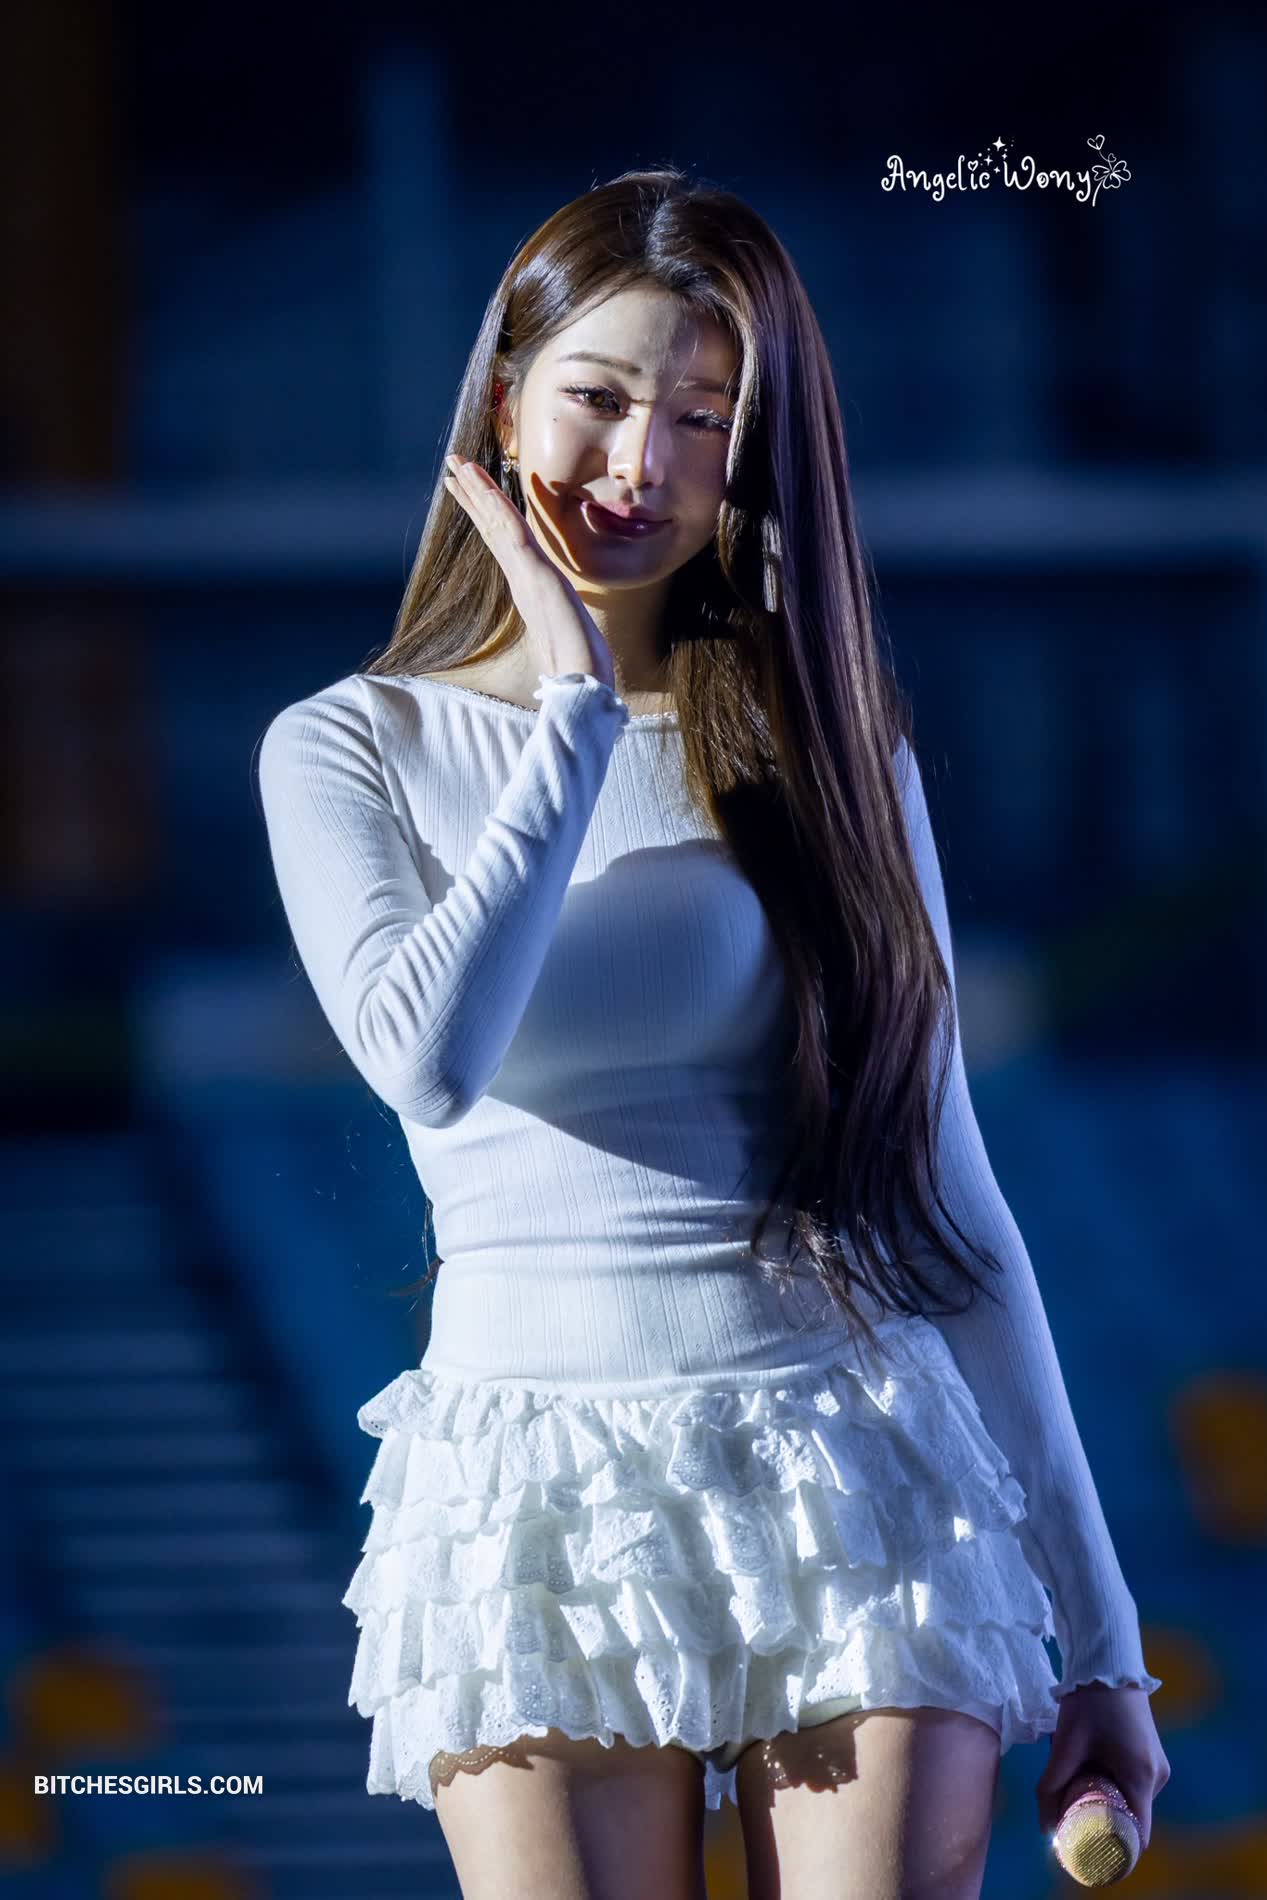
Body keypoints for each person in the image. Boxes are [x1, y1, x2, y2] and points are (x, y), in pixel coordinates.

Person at [256, 166, 1168, 1900]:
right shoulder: (349, 747)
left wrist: (1104, 1643)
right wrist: (573, 715)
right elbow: (427, 1057)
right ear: (503, 397)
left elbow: (948, 1201)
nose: (642, 465)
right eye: (601, 399)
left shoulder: (834, 748)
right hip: (533, 1492)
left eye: (704, 421)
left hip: (852, 1461)